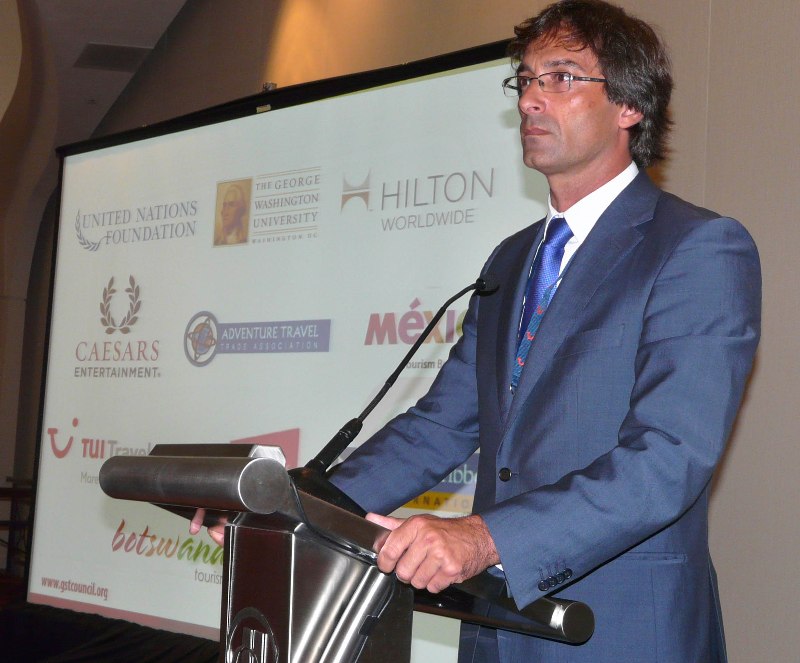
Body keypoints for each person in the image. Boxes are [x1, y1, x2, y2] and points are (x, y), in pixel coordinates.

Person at [193, 1, 760, 660]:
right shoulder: (511, 259)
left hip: (621, 630)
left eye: (562, 78)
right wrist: (292, 504)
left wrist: (486, 537)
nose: (531, 100)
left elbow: (668, 459)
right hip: (498, 630)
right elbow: (442, 423)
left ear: (630, 106)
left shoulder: (696, 247)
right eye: (525, 81)